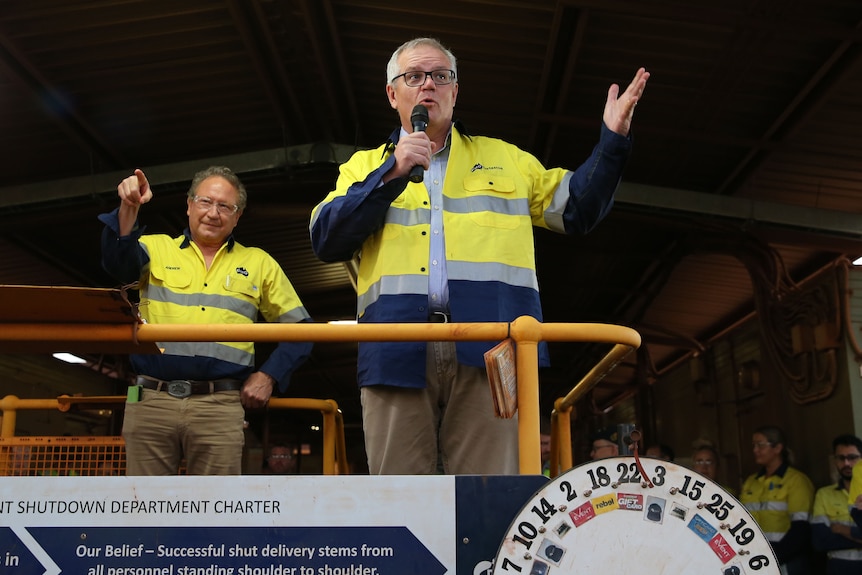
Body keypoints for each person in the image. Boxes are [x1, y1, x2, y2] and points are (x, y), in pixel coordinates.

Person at [309, 37, 649, 475]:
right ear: (394, 94)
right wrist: (392, 171)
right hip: (395, 348)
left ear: (456, 91)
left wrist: (613, 141)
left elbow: (578, 210)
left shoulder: (506, 159)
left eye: (440, 76)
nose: (428, 85)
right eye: (414, 77)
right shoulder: (363, 167)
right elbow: (325, 239)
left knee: (489, 495)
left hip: (494, 346)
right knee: (400, 499)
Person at [99, 166, 313, 475]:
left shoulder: (259, 263)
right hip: (151, 402)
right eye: (205, 202)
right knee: (145, 510)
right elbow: (117, 265)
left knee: (216, 512)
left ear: (238, 216)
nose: (214, 213)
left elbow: (303, 329)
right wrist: (129, 206)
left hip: (219, 406)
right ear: (188, 205)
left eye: (225, 206)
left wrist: (269, 376)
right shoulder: (155, 248)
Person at [740, 426, 815, 575]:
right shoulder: (751, 481)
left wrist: (774, 556)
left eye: (760, 445)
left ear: (778, 448)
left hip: (786, 559)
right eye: (754, 445)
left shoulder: (796, 480)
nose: (755, 450)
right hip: (754, 558)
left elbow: (801, 529)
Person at [811, 434, 862, 575]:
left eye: (852, 458)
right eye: (841, 458)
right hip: (839, 567)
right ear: (835, 460)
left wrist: (842, 530)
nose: (846, 463)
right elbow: (820, 541)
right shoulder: (824, 494)